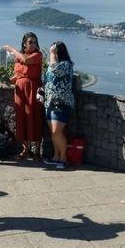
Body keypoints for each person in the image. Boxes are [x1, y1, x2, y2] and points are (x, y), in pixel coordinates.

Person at [4, 32, 44, 159]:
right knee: (22, 118)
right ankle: (26, 149)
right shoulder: (21, 57)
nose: (33, 44)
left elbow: (26, 61)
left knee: (34, 117)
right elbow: (19, 74)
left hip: (32, 89)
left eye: (34, 42)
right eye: (30, 42)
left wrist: (12, 49)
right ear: (24, 43)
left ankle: (37, 151)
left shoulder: (37, 55)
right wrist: (9, 80)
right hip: (20, 90)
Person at [43, 41, 75, 170]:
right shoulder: (51, 64)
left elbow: (56, 71)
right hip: (50, 102)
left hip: (62, 103)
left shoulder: (66, 65)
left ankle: (64, 158)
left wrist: (51, 54)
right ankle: (56, 156)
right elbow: (46, 78)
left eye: (54, 51)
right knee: (53, 132)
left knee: (57, 132)